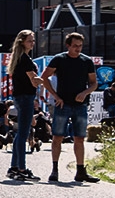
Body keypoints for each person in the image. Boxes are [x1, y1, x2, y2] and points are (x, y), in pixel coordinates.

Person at [40, 31, 99, 183]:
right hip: (63, 103)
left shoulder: (86, 61)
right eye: (75, 46)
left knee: (79, 138)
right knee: (57, 137)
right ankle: (54, 170)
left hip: (80, 105)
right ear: (68, 45)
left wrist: (85, 93)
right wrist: (55, 96)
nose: (78, 49)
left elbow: (94, 83)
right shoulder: (59, 59)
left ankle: (80, 170)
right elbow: (44, 77)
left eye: (80, 46)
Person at [5, 29, 42, 181]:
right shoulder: (25, 60)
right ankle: (21, 168)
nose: (32, 43)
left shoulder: (18, 58)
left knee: (20, 133)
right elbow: (33, 80)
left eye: (33, 40)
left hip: (20, 96)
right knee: (23, 133)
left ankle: (14, 167)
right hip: (26, 96)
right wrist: (45, 78)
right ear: (22, 42)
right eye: (30, 41)